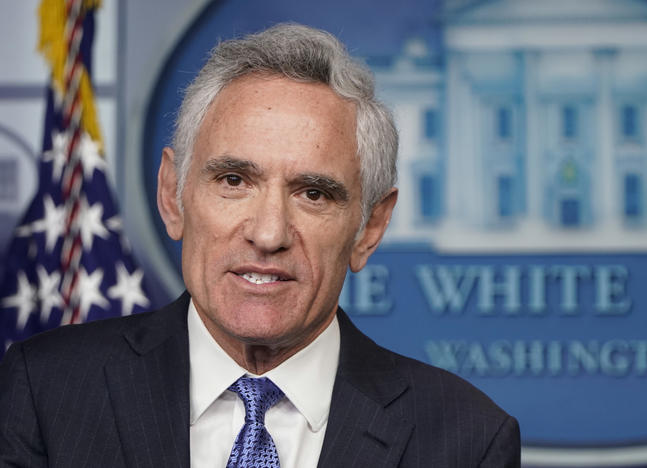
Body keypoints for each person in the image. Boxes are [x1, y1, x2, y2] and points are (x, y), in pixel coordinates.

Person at [0, 23, 520, 467]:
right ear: (172, 195)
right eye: (233, 181)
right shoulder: (42, 391)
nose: (268, 234)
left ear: (369, 228)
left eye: (313, 193)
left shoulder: (467, 440)